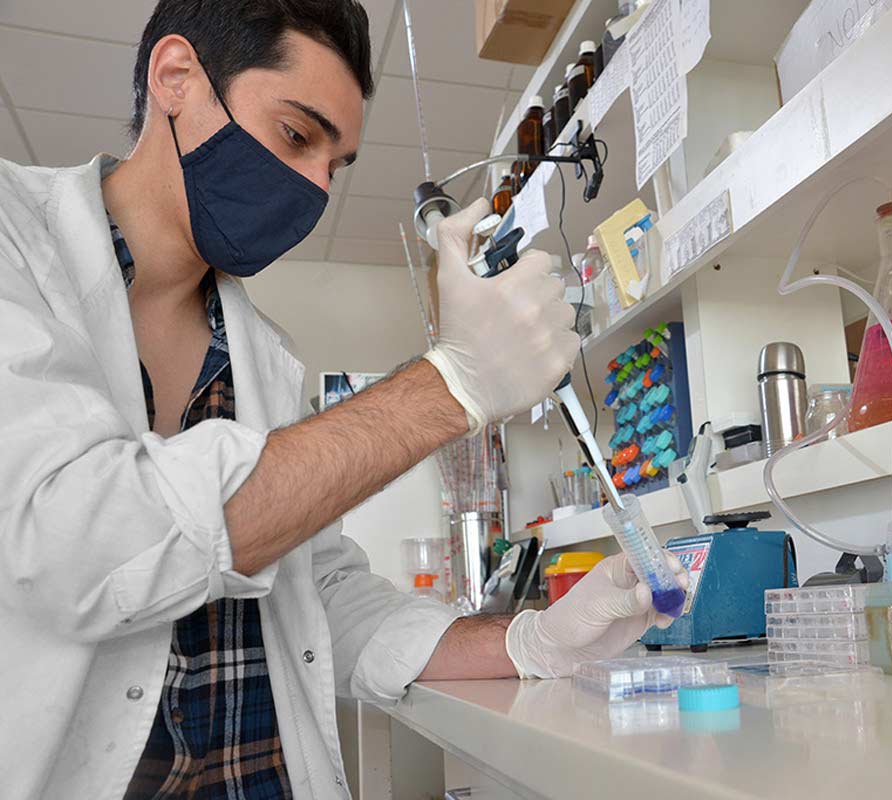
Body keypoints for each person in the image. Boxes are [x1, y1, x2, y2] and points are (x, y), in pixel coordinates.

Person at [0, 2, 686, 798]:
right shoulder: (17, 245)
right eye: (297, 134)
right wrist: (450, 385)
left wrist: (530, 642)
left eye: (336, 164)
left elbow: (319, 594)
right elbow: (72, 538)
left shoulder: (262, 357)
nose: (314, 186)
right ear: (176, 77)